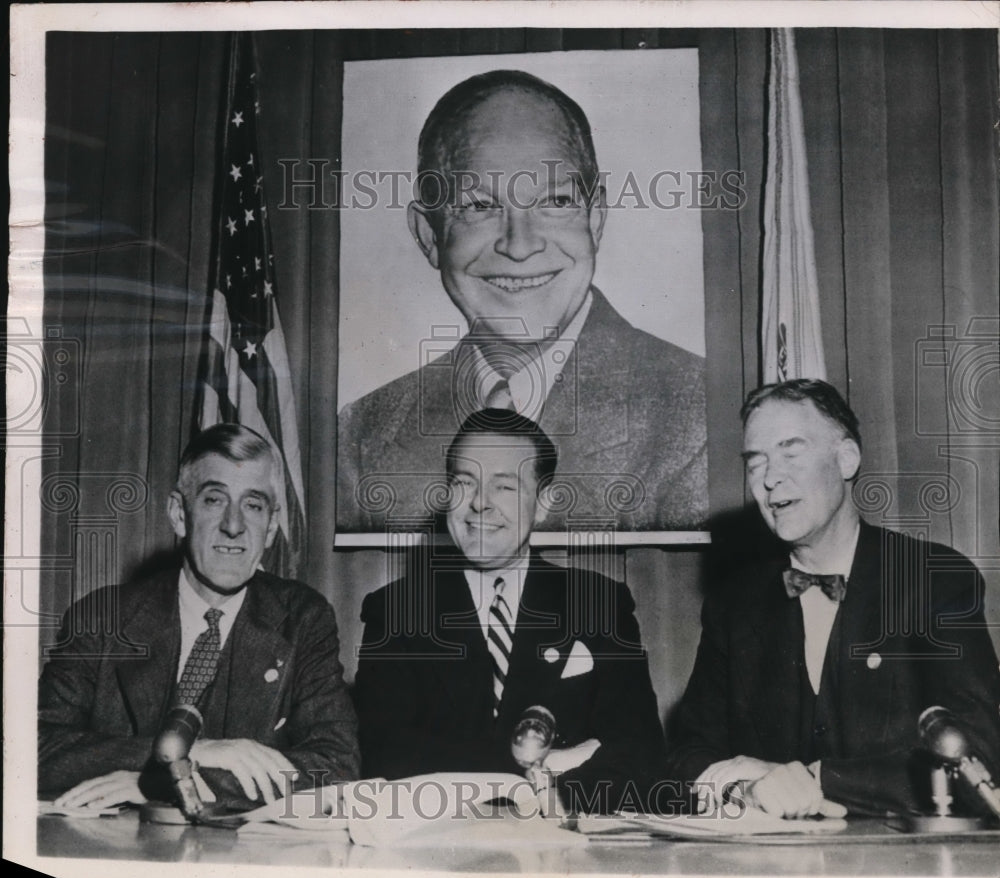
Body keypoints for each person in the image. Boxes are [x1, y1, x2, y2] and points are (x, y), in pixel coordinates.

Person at [337, 69, 707, 533]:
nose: (518, 245)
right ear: (429, 236)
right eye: (478, 206)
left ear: (595, 222)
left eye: (553, 201)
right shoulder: (361, 436)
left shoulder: (696, 414)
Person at [665, 379, 1000, 819]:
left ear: (846, 459)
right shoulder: (734, 603)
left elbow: (978, 757)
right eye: (755, 462)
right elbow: (685, 754)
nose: (769, 478)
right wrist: (745, 787)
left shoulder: (934, 580)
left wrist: (815, 780)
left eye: (791, 452)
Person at [353, 409, 667, 813]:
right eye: (464, 483)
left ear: (543, 503)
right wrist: (543, 767)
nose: (480, 504)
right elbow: (385, 761)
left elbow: (642, 759)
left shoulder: (600, 604)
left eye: (504, 487)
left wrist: (535, 793)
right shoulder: (394, 611)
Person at [39, 424, 360, 810]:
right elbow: (32, 748)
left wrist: (166, 782)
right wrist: (186, 754)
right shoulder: (103, 618)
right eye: (214, 500)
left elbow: (337, 767)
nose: (234, 525)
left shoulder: (303, 620)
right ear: (179, 514)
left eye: (253, 505)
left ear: (271, 527)